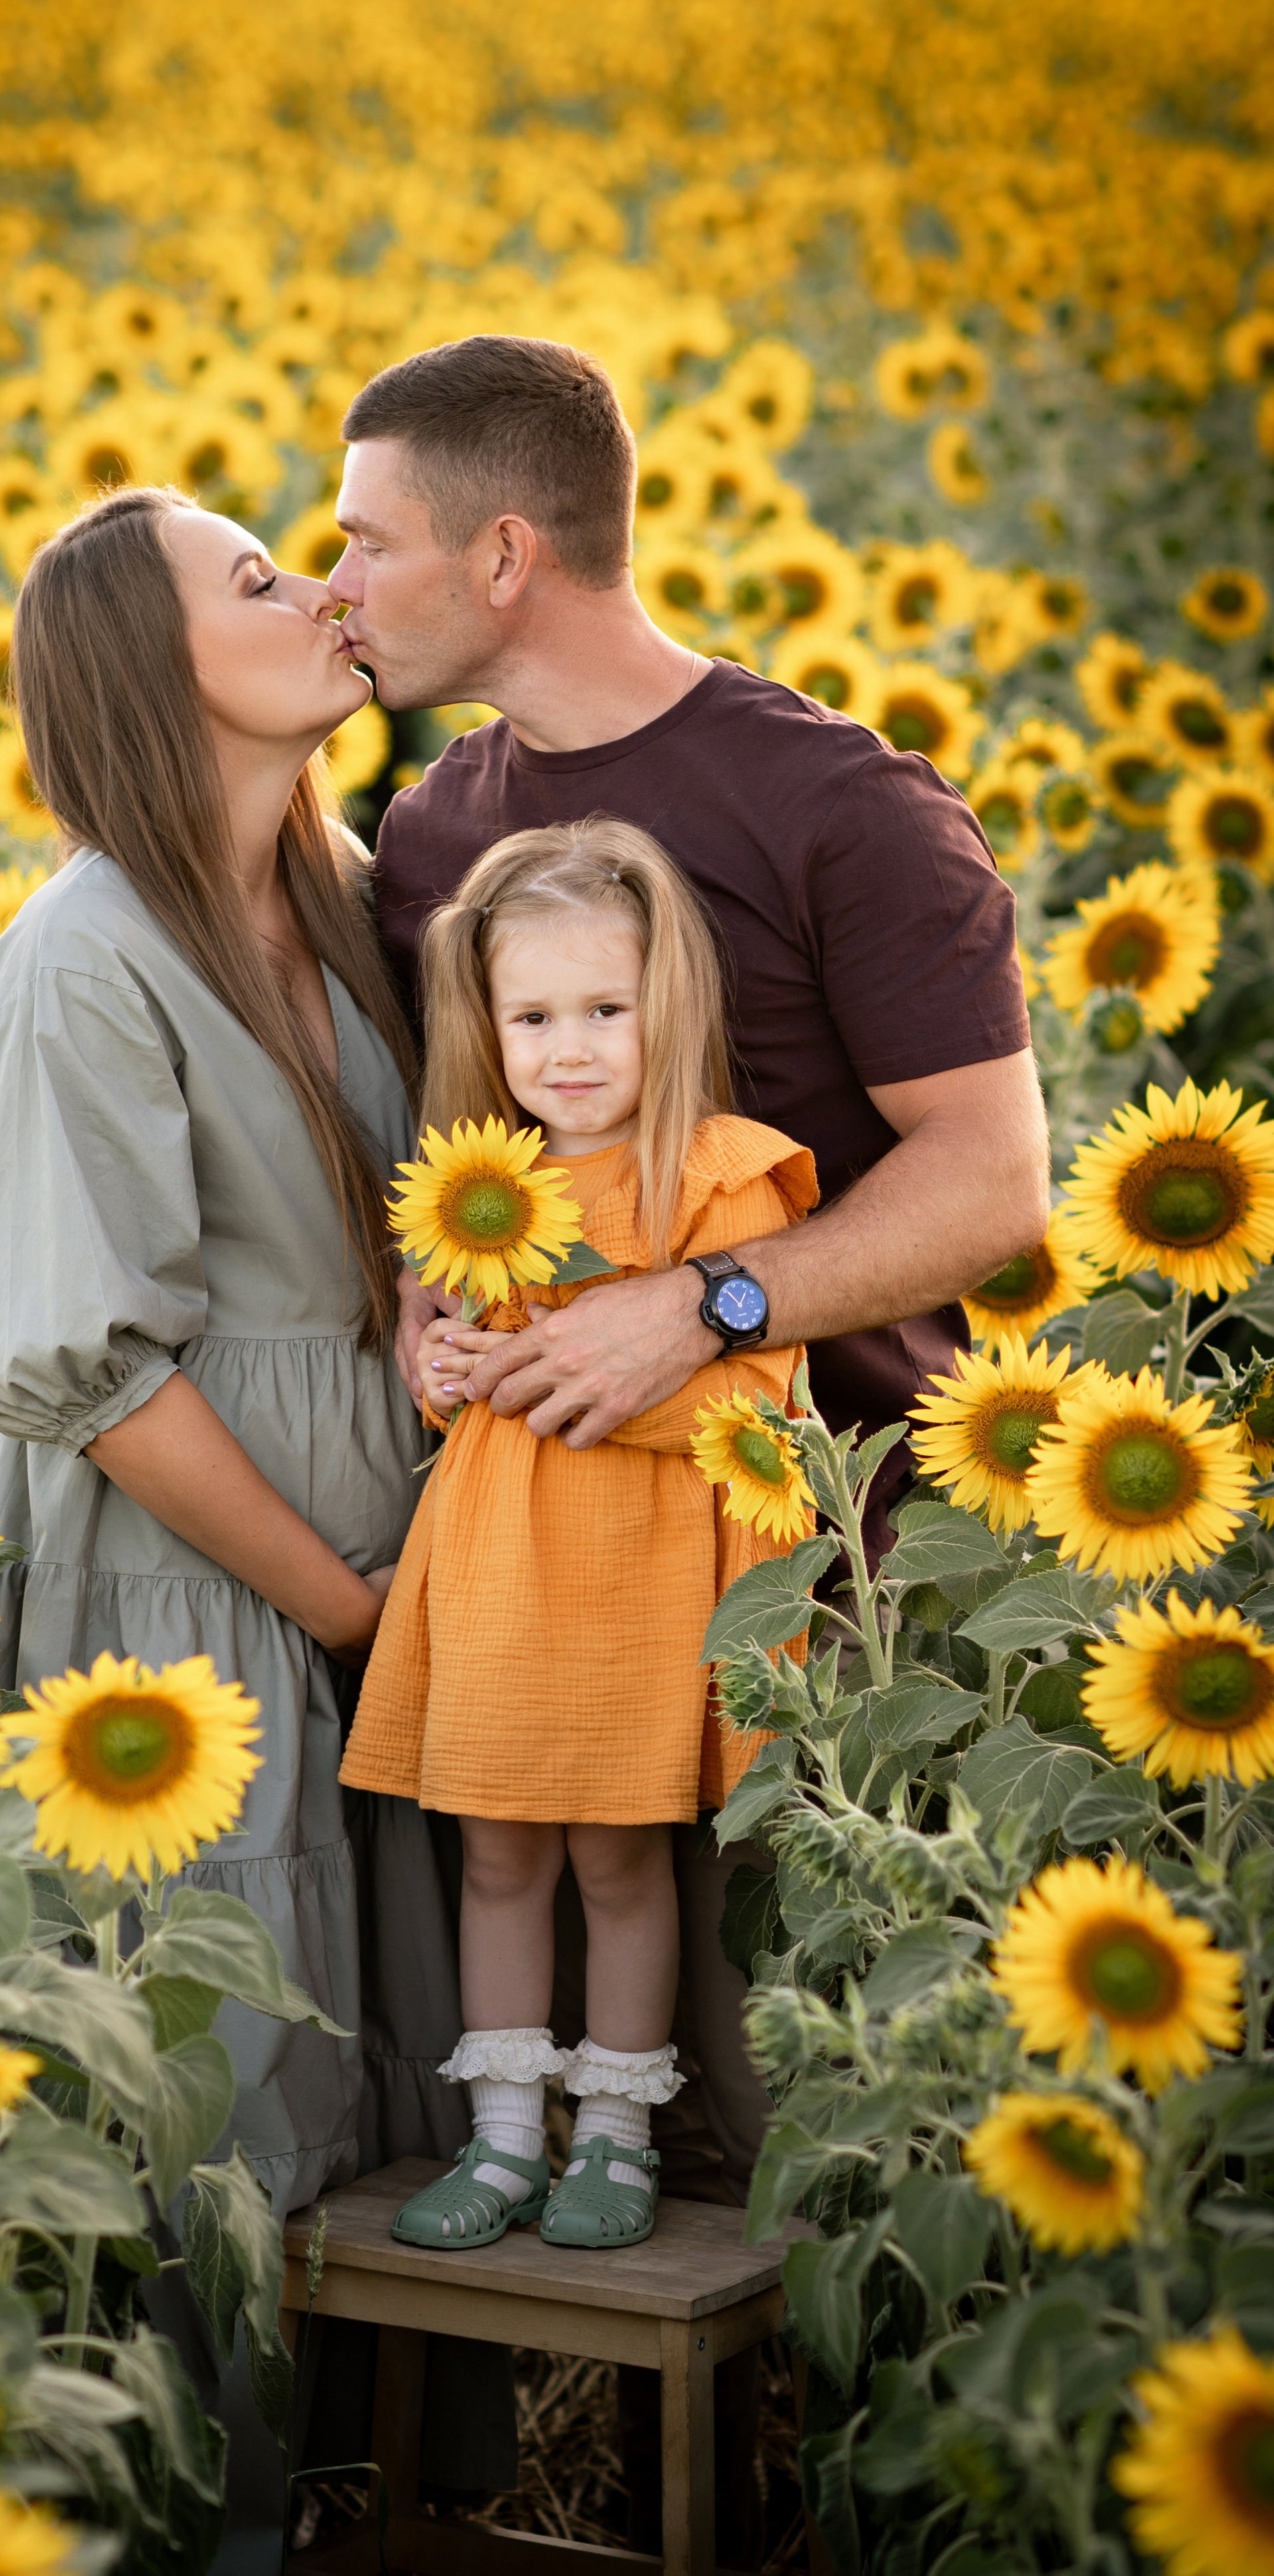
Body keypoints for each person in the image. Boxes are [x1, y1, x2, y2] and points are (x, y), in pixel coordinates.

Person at [328, 331, 1050, 2206]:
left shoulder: (838, 807)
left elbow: (993, 1185)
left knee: (821, 2158)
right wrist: (436, 1287)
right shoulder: (436, 832)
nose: (332, 586)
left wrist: (709, 1304)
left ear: (502, 559)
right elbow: (473, 1155)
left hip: (820, 1591)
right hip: (536, 1557)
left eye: (359, 543)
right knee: (551, 2081)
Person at [0, 484, 514, 2561]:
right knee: (226, 2119)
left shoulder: (353, 897)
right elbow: (94, 1370)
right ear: (148, 667)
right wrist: (353, 1609)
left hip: (379, 1601)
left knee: (391, 2095)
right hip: (203, 1614)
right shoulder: (80, 957)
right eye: (262, 580)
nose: (327, 593)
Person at [340, 818, 816, 2252]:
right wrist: (446, 1375)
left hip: (636, 1575)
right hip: (498, 1566)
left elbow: (757, 1397)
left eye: (604, 1010)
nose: (569, 1047)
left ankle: (611, 2133)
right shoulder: (471, 1192)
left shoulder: (714, 1175)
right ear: (483, 1027)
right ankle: (499, 2138)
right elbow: (447, 1378)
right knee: (494, 1857)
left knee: (617, 1866)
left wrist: (576, 1383)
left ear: (663, 1005)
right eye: (532, 1015)